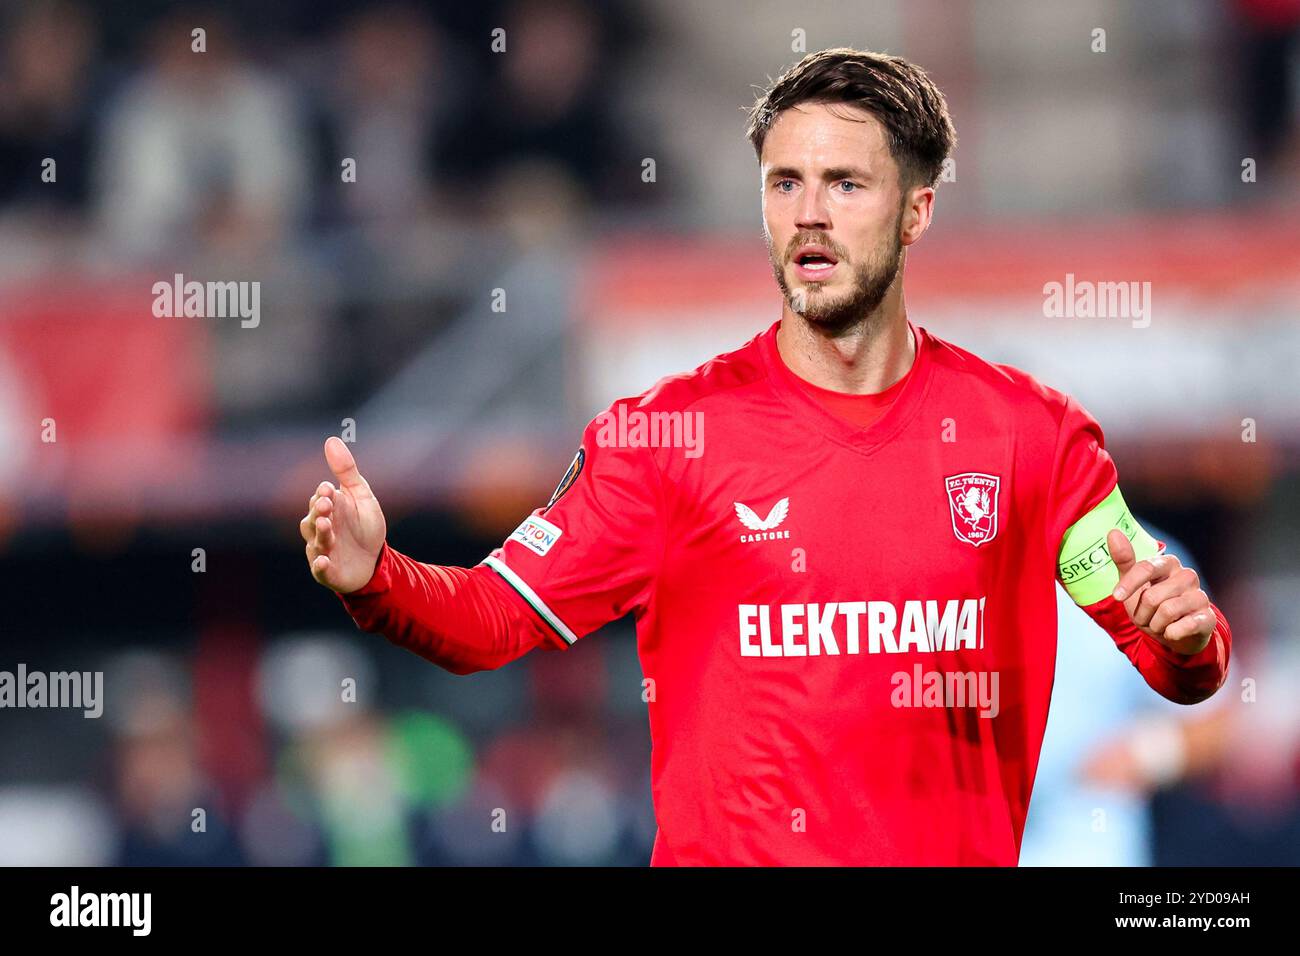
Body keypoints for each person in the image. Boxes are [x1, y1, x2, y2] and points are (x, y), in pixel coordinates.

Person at [301, 48, 1233, 865]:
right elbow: (491, 619)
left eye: (845, 184)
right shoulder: (666, 439)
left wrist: (1188, 638)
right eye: (785, 183)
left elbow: (1167, 654)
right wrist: (377, 578)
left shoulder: (1032, 438)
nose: (809, 215)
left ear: (916, 212)